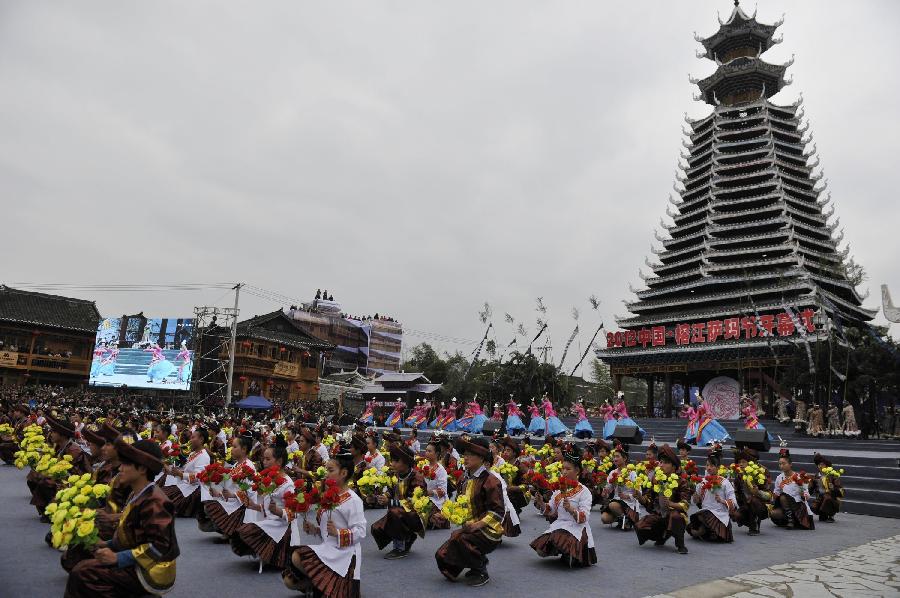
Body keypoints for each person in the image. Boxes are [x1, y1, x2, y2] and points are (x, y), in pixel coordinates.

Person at [64, 438, 179, 597]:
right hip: (139, 560)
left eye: (126, 464)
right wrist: (107, 544)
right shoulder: (137, 493)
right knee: (83, 558)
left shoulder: (156, 502)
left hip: (151, 570)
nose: (121, 469)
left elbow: (159, 548)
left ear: (142, 469)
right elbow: (132, 535)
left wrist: (117, 558)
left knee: (84, 573)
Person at [282, 451, 366, 598]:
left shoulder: (353, 500)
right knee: (290, 580)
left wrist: (339, 533)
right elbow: (328, 531)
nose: (326, 474)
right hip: (328, 550)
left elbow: (361, 531)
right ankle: (320, 585)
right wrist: (315, 530)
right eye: (326, 470)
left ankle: (329, 585)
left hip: (345, 555)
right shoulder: (329, 496)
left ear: (344, 473)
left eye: (331, 470)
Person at [435, 436, 505, 587]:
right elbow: (459, 505)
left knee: (461, 539)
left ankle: (481, 570)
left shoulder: (491, 481)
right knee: (442, 555)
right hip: (469, 527)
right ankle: (474, 563)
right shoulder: (463, 479)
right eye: (464, 454)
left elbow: (498, 512)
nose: (465, 458)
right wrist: (445, 514)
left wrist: (477, 525)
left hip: (488, 529)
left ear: (481, 458)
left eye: (470, 454)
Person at [231, 436, 295, 568]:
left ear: (279, 461)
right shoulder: (270, 479)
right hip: (269, 521)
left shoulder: (288, 484)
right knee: (240, 533)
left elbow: (294, 514)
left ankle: (274, 553)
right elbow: (266, 506)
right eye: (264, 458)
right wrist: (255, 506)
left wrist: (278, 511)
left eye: (268, 459)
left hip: (281, 526)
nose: (264, 462)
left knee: (247, 531)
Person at [530, 445, 597, 567]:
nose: (564, 472)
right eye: (563, 468)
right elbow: (550, 510)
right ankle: (562, 550)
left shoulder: (584, 491)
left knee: (564, 548)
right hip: (559, 524)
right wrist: (541, 503)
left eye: (568, 469)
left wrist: (571, 510)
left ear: (577, 471)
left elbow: (584, 517)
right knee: (541, 551)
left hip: (577, 528)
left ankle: (570, 550)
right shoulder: (558, 490)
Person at [28, 415, 91, 518]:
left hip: (74, 481)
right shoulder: (59, 446)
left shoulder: (73, 450)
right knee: (33, 476)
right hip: (61, 476)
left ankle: (55, 511)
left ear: (63, 435)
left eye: (54, 432)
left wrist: (51, 475)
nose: (51, 434)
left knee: (45, 481)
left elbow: (75, 473)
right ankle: (46, 509)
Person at [370, 443, 427, 559]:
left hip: (416, 515)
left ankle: (400, 548)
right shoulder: (397, 474)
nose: (392, 464)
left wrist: (390, 502)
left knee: (394, 513)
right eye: (392, 460)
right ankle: (408, 537)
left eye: (396, 461)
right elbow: (391, 490)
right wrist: (382, 497)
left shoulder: (417, 478)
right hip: (400, 512)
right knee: (376, 528)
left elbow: (413, 502)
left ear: (406, 462)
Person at [633, 444, 690, 554]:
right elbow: (648, 500)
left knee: (676, 517)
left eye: (666, 463)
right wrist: (640, 497)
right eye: (661, 462)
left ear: (674, 467)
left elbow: (686, 504)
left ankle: (680, 544)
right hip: (659, 513)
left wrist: (671, 504)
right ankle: (662, 536)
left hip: (674, 513)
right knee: (640, 526)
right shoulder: (656, 480)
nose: (662, 465)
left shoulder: (681, 482)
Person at [205, 432, 257, 539]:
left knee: (213, 507)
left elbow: (251, 492)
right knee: (208, 504)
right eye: (231, 447)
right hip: (233, 501)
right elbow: (230, 488)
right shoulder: (236, 465)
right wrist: (218, 493)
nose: (231, 449)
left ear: (244, 449)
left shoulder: (249, 467)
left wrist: (233, 495)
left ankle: (231, 530)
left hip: (242, 505)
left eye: (234, 447)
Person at [686, 451, 736, 542]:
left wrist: (722, 501)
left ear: (717, 468)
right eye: (707, 465)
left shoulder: (725, 482)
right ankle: (705, 531)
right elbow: (696, 501)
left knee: (717, 536)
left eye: (712, 466)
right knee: (697, 519)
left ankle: (705, 531)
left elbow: (733, 501)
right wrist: (695, 496)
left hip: (720, 514)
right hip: (705, 511)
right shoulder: (702, 482)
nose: (709, 468)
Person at [162, 427, 210, 518]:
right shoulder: (193, 453)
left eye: (193, 437)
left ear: (201, 439)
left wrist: (180, 474)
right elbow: (187, 471)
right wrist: (173, 471)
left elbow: (198, 477)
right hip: (185, 484)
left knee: (166, 504)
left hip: (193, 489)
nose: (190, 440)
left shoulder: (204, 456)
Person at [600, 443, 644, 530]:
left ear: (624, 458)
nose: (615, 459)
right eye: (614, 457)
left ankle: (629, 518)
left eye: (617, 456)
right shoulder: (613, 472)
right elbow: (608, 489)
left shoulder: (632, 473)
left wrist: (627, 496)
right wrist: (605, 492)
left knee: (612, 505)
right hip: (617, 501)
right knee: (604, 518)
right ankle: (621, 518)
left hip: (629, 503)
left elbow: (639, 492)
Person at [770, 448, 815, 530]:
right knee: (773, 513)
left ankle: (791, 520)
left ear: (790, 464)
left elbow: (807, 495)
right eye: (780, 464)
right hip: (786, 506)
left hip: (798, 506)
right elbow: (776, 492)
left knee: (783, 496)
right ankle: (791, 519)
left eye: (784, 463)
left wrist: (803, 494)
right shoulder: (779, 478)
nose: (781, 466)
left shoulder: (799, 477)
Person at [730, 447, 771, 536]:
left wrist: (758, 493)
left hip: (761, 505)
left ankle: (754, 525)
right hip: (745, 504)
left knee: (753, 500)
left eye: (743, 462)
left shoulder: (759, 474)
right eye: (739, 462)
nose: (741, 464)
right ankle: (751, 522)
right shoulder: (739, 476)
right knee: (735, 515)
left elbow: (769, 496)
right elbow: (736, 494)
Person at [810, 453, 843, 523]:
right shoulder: (816, 477)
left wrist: (833, 488)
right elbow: (810, 489)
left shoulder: (833, 476)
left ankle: (831, 515)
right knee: (815, 509)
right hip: (820, 497)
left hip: (831, 497)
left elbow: (841, 490)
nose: (820, 466)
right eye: (819, 465)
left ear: (826, 466)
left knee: (827, 497)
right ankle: (823, 513)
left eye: (822, 464)